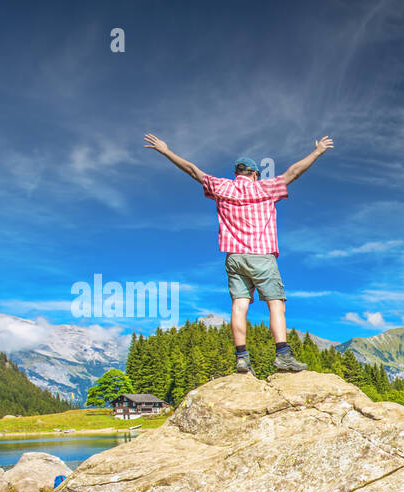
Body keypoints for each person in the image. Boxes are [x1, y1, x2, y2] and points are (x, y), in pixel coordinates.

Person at [143, 133, 334, 374]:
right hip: (261, 254)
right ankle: (283, 355)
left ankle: (242, 359)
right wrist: (317, 152)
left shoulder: (222, 187)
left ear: (236, 173)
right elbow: (294, 172)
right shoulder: (264, 188)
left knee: (239, 305)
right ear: (254, 173)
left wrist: (165, 151)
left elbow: (193, 170)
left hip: (234, 257)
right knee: (276, 304)